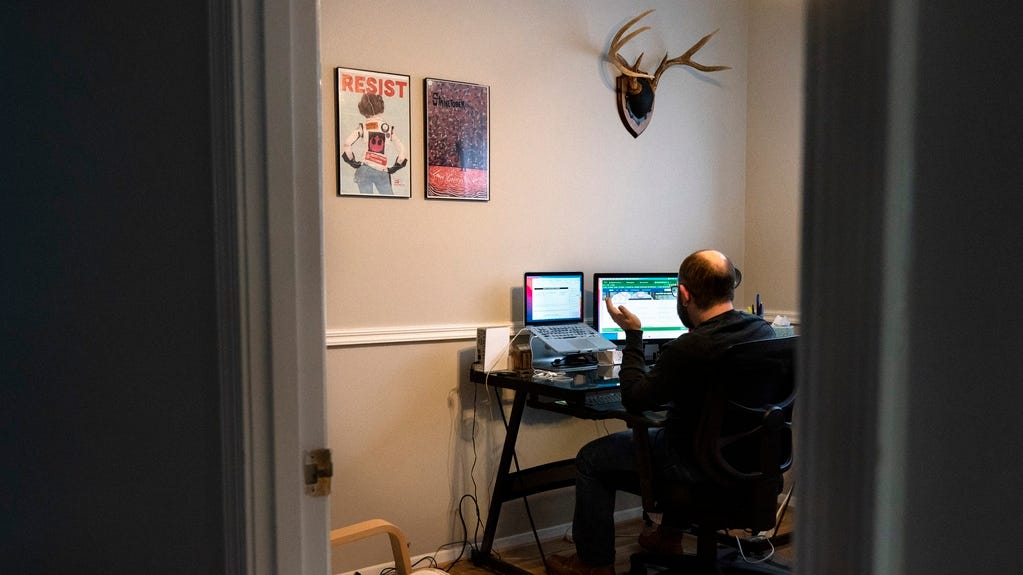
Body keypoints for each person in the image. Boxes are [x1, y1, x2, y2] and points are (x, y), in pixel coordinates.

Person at [546, 249, 776, 575]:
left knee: (591, 458)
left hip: (693, 466)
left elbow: (635, 400)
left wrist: (634, 335)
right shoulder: (762, 333)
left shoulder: (688, 348)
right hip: (747, 463)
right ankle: (668, 538)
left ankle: (592, 564)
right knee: (683, 433)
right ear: (730, 286)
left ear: (684, 293)